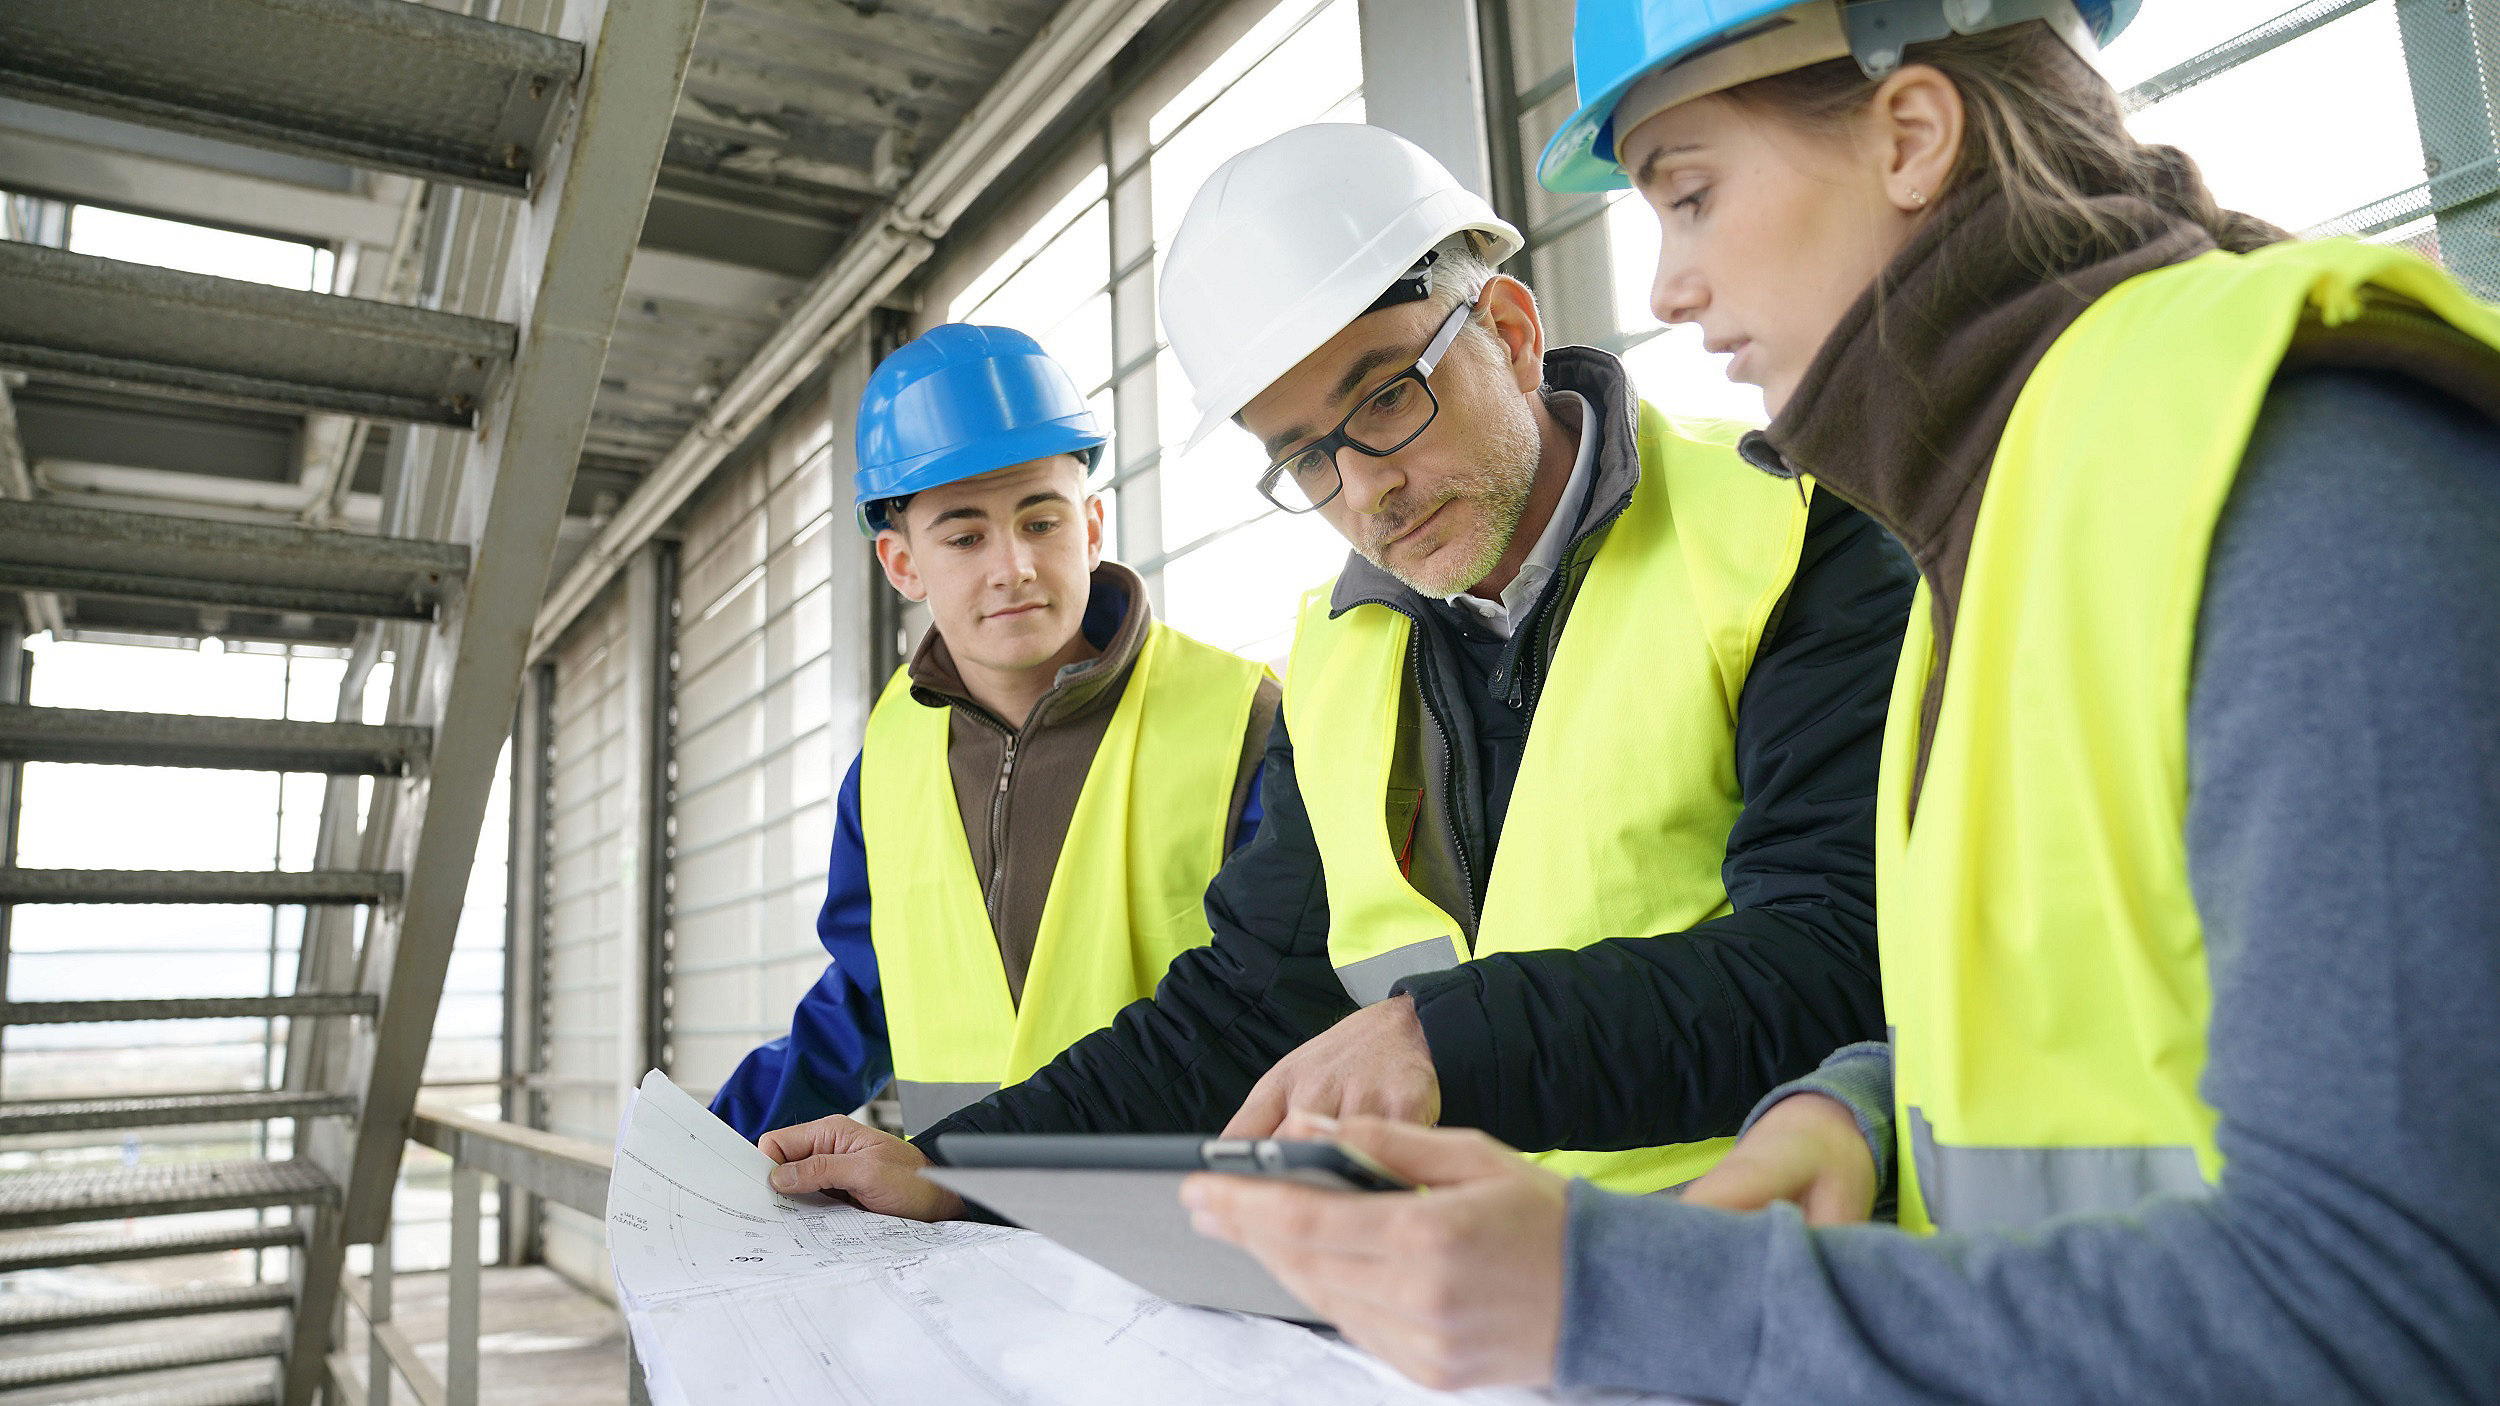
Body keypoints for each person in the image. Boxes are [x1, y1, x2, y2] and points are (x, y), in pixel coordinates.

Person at [1181, 2, 2500, 1400]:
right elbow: (2065, 1009)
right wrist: (1858, 1105)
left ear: (1912, 133)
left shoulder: (2299, 465)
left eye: (1689, 194)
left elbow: (2404, 1303)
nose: (1669, 287)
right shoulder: (2000, 526)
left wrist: (1625, 1291)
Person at [756, 124, 1914, 1210]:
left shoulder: (1786, 538)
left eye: (1385, 400)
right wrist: (953, 1165)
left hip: (1750, 1261)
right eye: (1305, 456)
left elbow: (1835, 951)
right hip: (1461, 1308)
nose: (1364, 489)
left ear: (1509, 335)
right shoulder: (1345, 654)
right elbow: (1245, 1005)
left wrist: (1439, 1037)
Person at [708, 322, 1277, 1142]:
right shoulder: (891, 762)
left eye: (1041, 523)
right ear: (903, 565)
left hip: (1190, 1229)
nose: (1010, 566)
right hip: (964, 1236)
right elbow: (869, 998)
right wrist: (708, 1145)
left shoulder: (1240, 719)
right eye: (966, 537)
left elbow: (1277, 992)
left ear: (1090, 527)